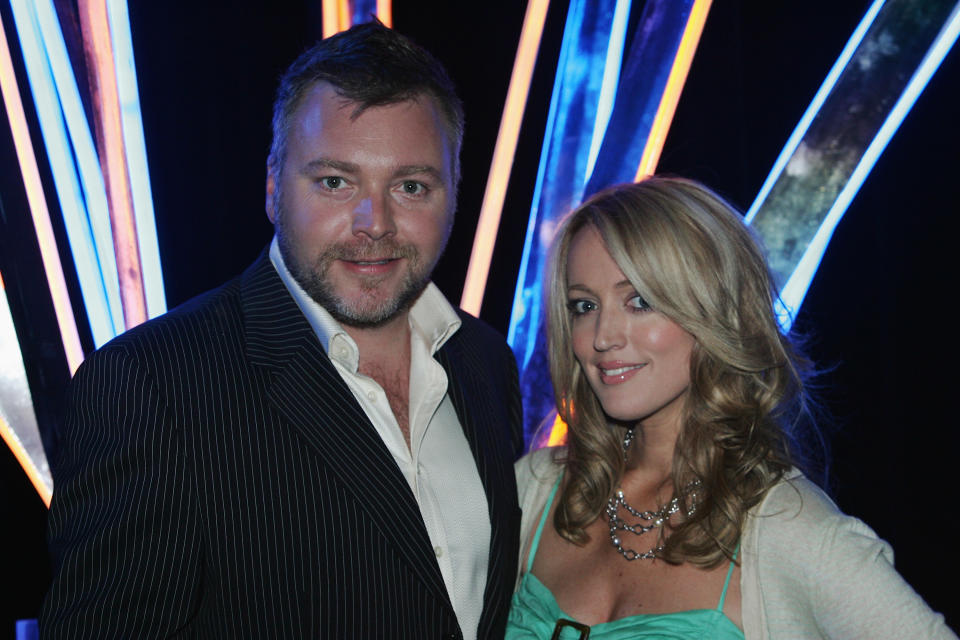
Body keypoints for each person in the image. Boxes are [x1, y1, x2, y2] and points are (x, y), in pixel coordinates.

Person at [40, 21, 522, 639]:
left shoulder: (486, 363)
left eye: (410, 186)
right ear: (272, 187)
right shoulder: (152, 386)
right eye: (334, 182)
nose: (374, 223)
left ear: (454, 193)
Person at [506, 177, 955, 639]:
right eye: (583, 305)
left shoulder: (788, 529)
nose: (603, 337)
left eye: (640, 301)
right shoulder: (536, 488)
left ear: (714, 310)